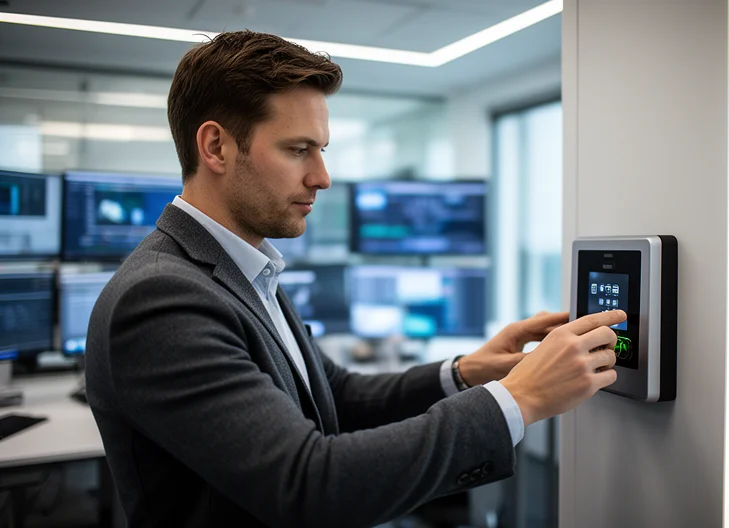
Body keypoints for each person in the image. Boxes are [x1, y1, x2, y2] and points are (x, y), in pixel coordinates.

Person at [85, 31, 623, 528]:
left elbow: (334, 397)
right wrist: (517, 398)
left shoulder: (243, 269)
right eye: (298, 149)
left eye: (321, 150)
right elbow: (307, 485)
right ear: (217, 147)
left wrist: (465, 372)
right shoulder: (162, 296)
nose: (321, 176)